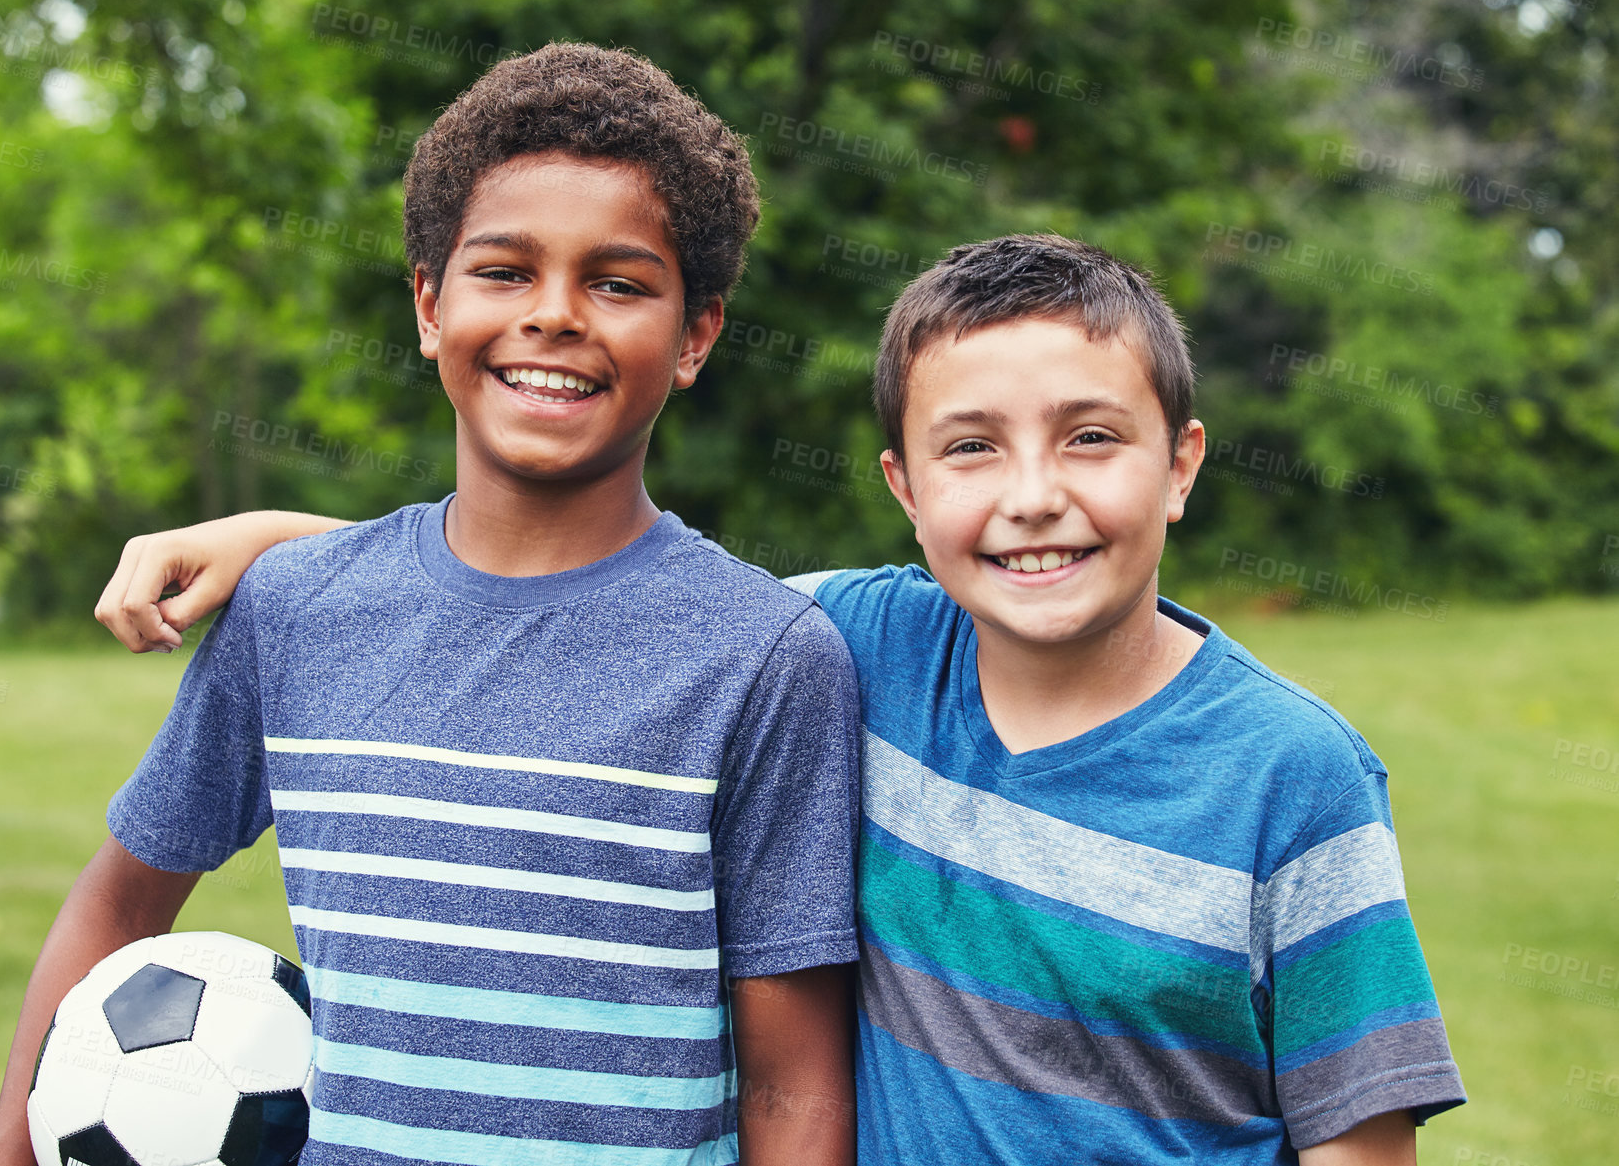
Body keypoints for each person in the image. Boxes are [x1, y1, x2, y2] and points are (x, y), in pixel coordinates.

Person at [95, 233, 1466, 1164]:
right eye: (971, 450)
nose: (1035, 495)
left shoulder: (1294, 776)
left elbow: (1360, 1135)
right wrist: (288, 539)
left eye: (1092, 439)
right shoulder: (853, 646)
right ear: (904, 491)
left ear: (1180, 465)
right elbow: (592, 598)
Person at [0, 44, 863, 1166]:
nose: (554, 315)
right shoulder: (293, 611)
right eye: (503, 271)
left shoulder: (766, 658)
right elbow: (115, 907)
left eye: (618, 281)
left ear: (694, 336)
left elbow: (793, 1079)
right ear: (428, 305)